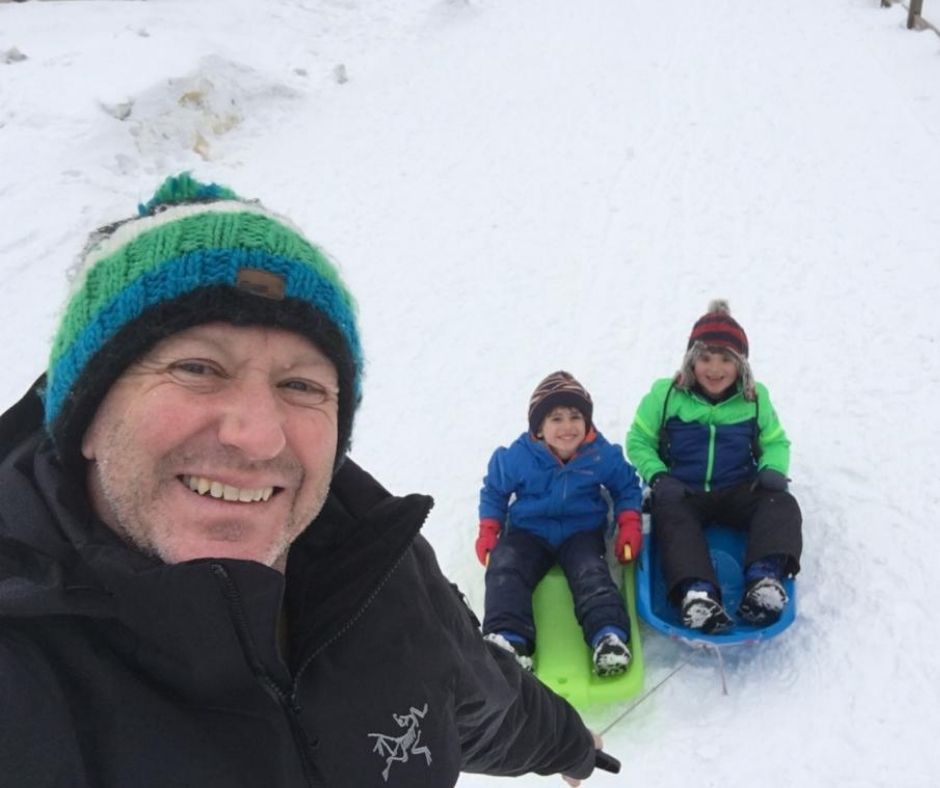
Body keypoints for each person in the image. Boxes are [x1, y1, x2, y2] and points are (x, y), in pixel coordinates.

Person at [0, 174, 606, 787]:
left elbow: (477, 696)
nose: (258, 434)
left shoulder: (377, 570)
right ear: (84, 416)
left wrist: (566, 741)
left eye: (301, 386)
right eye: (197, 367)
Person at [626, 300, 803, 633]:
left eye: (725, 360)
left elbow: (776, 441)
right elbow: (638, 440)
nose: (714, 369)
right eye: (705, 358)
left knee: (781, 503)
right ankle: (698, 593)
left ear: (741, 366)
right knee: (670, 516)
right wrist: (658, 475)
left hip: (739, 487)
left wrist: (772, 469)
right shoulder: (666, 395)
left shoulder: (755, 398)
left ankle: (763, 580)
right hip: (684, 490)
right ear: (691, 361)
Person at [475, 371, 643, 677]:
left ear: (587, 422)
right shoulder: (518, 457)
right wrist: (489, 529)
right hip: (529, 531)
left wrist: (629, 521)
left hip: (581, 532)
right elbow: (495, 490)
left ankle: (608, 637)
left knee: (590, 571)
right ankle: (509, 641)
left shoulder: (600, 455)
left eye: (575, 417)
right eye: (556, 419)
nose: (567, 427)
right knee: (506, 567)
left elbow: (627, 485)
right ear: (538, 427)